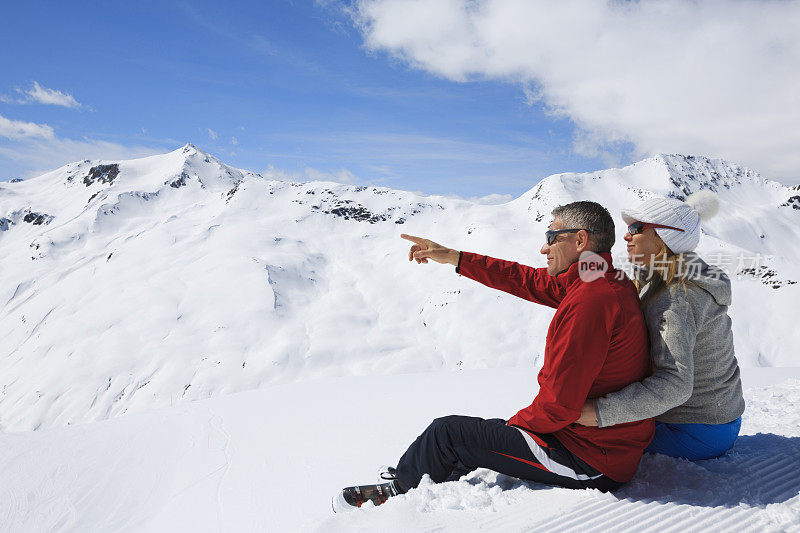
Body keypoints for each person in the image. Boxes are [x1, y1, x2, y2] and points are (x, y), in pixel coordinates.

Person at [333, 201, 654, 512]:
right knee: (472, 435)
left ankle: (398, 492)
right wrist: (454, 257)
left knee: (447, 434)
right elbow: (526, 279)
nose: (544, 248)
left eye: (551, 237)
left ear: (580, 239)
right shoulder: (600, 278)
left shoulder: (591, 302)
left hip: (589, 460)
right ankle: (436, 472)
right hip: (598, 443)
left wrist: (515, 428)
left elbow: (560, 403)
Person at [576, 191, 745, 461]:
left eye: (637, 228)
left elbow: (675, 384)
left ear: (664, 238)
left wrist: (599, 413)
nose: (627, 236)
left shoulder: (675, 298)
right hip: (717, 420)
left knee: (578, 436)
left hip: (697, 430)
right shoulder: (660, 280)